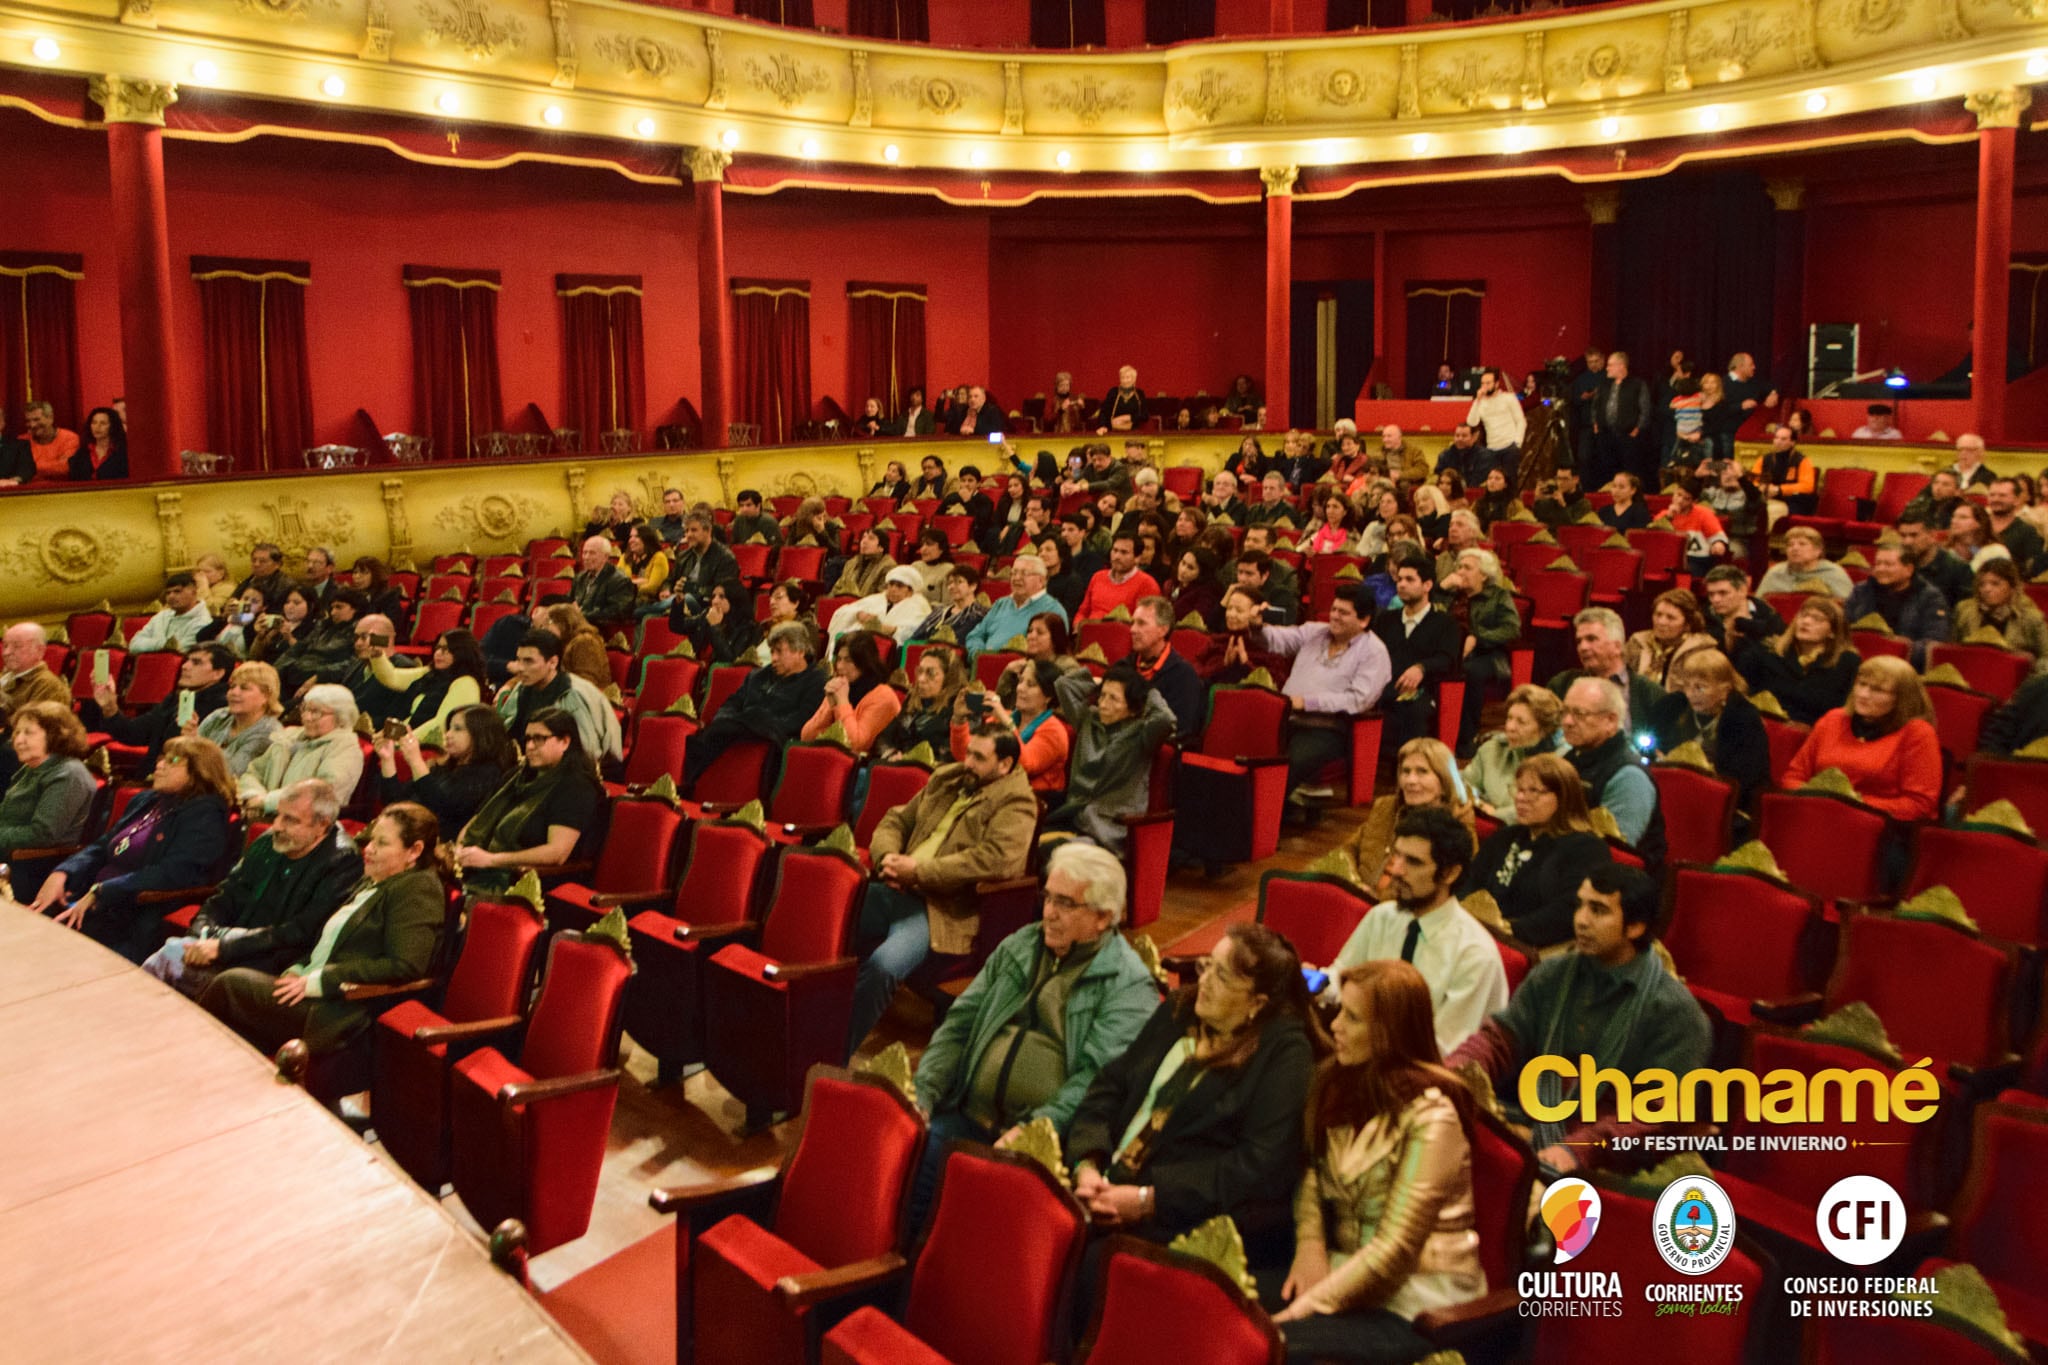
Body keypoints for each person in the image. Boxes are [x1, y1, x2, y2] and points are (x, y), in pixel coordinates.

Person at [905, 842, 1161, 1223]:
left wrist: (1033, 1129)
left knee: (954, 1219)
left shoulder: (1127, 985)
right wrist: (924, 1091)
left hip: (1042, 1143)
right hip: (966, 1113)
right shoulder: (1022, 945)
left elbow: (1093, 1080)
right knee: (899, 1168)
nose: (1049, 914)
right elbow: (960, 1022)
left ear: (1104, 918)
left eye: (1066, 904)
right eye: (1048, 898)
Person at [1066, 923, 1324, 1265]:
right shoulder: (1180, 1009)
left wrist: (1146, 1200)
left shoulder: (1284, 1054)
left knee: (1091, 1265)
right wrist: (1088, 1163)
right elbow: (1111, 1084)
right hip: (1104, 1183)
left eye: (1222, 977)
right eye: (1207, 966)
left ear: (1257, 1003)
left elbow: (1254, 1167)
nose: (1203, 981)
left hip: (1184, 1219)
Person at [1271, 960, 1488, 1358]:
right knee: (1227, 1302)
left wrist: (1309, 1305)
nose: (1334, 1026)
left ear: (1389, 1033)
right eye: (1340, 1012)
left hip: (1418, 1299)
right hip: (1345, 1270)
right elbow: (1312, 1173)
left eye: (1352, 1018)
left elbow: (1396, 1247)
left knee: (1275, 1345)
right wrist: (1310, 1246)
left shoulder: (1433, 1114)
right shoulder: (1335, 1080)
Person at [1448, 864, 1712, 1174]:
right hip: (1533, 1130)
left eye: (1598, 910)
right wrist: (1454, 1074)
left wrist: (1579, 1148)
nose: (1581, 920)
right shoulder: (1554, 974)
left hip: (1608, 1165)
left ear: (1636, 927)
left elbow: (1655, 1115)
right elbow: (1499, 1040)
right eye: (1579, 905)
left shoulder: (1676, 1014)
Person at [200, 803, 447, 1058]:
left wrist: (321, 980)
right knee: (231, 995)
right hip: (309, 986)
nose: (369, 849)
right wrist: (298, 968)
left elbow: (406, 964)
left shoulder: (417, 889)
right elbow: (329, 940)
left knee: (229, 985)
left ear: (414, 850)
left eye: (382, 844)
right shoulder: (375, 880)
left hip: (339, 1009)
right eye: (371, 840)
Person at [847, 727, 1038, 1052]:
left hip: (939, 909)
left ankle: (833, 1049)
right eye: (968, 753)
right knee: (826, 914)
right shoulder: (950, 779)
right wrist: (886, 859)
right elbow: (896, 820)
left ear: (1004, 765)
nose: (968, 762)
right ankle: (804, 1019)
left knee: (884, 965)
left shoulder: (1017, 803)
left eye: (979, 757)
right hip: (896, 886)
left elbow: (994, 861)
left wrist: (918, 872)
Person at [136, 777, 362, 997]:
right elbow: (226, 895)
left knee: (170, 956)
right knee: (176, 951)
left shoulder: (341, 861)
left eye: (290, 820)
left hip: (274, 960)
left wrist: (222, 948)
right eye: (277, 815)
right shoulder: (268, 841)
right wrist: (202, 934)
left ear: (321, 825)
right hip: (235, 945)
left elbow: (299, 932)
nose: (276, 826)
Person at [35, 735, 236, 960]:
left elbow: (175, 873)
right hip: (93, 897)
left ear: (199, 771)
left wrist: (103, 891)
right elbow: (105, 845)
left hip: (133, 912)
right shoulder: (148, 800)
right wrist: (64, 871)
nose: (159, 765)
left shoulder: (205, 816)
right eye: (162, 758)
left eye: (173, 761)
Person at [1257, 587, 1393, 801]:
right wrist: (1257, 626)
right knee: (1249, 745)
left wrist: (1308, 702)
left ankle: (1263, 821)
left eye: (1343, 613)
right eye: (1334, 609)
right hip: (1286, 717)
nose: (1334, 616)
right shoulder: (1316, 632)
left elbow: (1358, 701)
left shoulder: (1374, 652)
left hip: (1328, 728)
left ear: (1364, 620)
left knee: (1289, 762)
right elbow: (1278, 640)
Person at [454, 707, 605, 893]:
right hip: (477, 865)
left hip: (522, 881)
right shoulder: (516, 775)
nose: (530, 746)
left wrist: (492, 859)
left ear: (565, 742)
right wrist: (461, 848)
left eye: (539, 739)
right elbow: (477, 819)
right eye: (528, 739)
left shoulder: (576, 787)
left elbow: (557, 852)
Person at [1780, 655, 1942, 823]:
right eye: (1861, 684)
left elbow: (1920, 805)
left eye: (1877, 690)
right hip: (1814, 816)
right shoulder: (1833, 720)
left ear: (1902, 698)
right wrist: (1815, 800)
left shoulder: (1918, 733)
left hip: (1877, 829)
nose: (1863, 694)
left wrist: (1851, 805)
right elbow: (1793, 777)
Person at [680, 621, 827, 792]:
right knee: (733, 720)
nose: (773, 659)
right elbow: (732, 703)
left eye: (779, 652)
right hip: (737, 730)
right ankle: (693, 784)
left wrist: (764, 723)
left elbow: (802, 718)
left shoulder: (816, 681)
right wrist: (727, 719)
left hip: (775, 737)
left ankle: (690, 781)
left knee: (755, 715)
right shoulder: (757, 676)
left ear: (800, 651)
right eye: (772, 652)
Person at [1049, 661, 1177, 854]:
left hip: (1110, 829)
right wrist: (1100, 683)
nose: (1103, 704)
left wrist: (1147, 690)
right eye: (1102, 696)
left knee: (1058, 854)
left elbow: (1165, 719)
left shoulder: (1142, 734)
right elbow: (1062, 685)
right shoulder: (1088, 719)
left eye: (1113, 699)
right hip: (1074, 816)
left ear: (1133, 709)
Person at [1345, 735, 1476, 899]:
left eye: (1422, 772)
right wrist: (1353, 885)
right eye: (1406, 771)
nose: (1410, 780)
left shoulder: (1457, 826)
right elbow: (1347, 850)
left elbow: (1443, 892)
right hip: (1359, 899)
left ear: (1444, 783)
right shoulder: (1385, 807)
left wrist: (1378, 898)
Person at [1560, 676, 1665, 863]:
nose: (1567, 721)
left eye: (1579, 713)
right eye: (1565, 711)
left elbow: (1615, 853)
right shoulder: (1569, 759)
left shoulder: (1629, 776)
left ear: (1610, 720)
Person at [1648, 648, 1770, 806]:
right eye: (1687, 686)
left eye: (1700, 687)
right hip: (1666, 795)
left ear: (1724, 690)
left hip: (1721, 805)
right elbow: (1648, 750)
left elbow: (1747, 781)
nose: (1690, 694)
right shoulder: (1671, 707)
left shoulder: (1744, 719)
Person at [86, 642, 234, 772]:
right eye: (186, 661)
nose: (185, 666)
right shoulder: (174, 700)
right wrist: (109, 706)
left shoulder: (222, 707)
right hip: (156, 776)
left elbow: (205, 762)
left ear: (218, 673)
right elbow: (133, 734)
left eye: (196, 662)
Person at [372, 703, 515, 835]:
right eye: (449, 728)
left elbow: (443, 808)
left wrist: (416, 762)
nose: (448, 735)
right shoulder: (443, 766)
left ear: (480, 734)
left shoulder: (488, 774)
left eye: (457, 729)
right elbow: (395, 804)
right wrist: (387, 759)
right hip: (406, 834)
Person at [1370, 551, 1461, 753]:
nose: (1401, 584)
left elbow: (1447, 659)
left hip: (1424, 689)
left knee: (1415, 712)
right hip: (1384, 686)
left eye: (1410, 580)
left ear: (1427, 585)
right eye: (1400, 579)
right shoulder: (1386, 619)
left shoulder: (1445, 623)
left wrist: (1421, 668)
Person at [493, 630, 620, 771]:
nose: (520, 668)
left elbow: (587, 753)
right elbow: (508, 730)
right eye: (519, 660)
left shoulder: (573, 695)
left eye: (529, 661)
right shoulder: (523, 688)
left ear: (553, 662)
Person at [1732, 594, 1860, 727]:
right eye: (1803, 615)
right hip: (1761, 726)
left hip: (1813, 733)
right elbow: (1740, 689)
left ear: (1832, 632)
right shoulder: (1767, 651)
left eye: (1817, 619)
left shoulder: (1847, 662)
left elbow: (1842, 712)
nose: (1806, 622)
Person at [238, 683, 365, 815]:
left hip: (306, 823)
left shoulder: (345, 747)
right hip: (267, 813)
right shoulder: (290, 736)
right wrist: (254, 795)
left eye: (316, 712)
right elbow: (253, 772)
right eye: (305, 709)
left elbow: (324, 792)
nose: (307, 717)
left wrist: (267, 802)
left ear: (341, 717)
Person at [955, 657, 1070, 792]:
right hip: (992, 789)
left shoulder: (1054, 731)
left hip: (1031, 799)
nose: (1021, 688)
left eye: (1030, 684)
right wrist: (959, 719)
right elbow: (966, 755)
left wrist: (1006, 720)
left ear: (1048, 696)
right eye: (1021, 681)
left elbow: (1025, 765)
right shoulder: (1006, 716)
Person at [0, 702, 97, 860]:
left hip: (34, 864)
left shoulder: (68, 774)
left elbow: (42, 835)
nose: (18, 740)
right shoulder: (32, 768)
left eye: (28, 733)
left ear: (54, 735)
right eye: (17, 733)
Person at [1548, 607, 1664, 735]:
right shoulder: (1562, 684)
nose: (1583, 647)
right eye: (1579, 641)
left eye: (1591, 639)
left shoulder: (1649, 693)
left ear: (1617, 647)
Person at [365, 628, 488, 749]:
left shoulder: (466, 683)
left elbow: (441, 724)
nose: (438, 653)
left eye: (446, 649)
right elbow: (393, 677)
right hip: (407, 742)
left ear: (462, 653)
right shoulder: (430, 673)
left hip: (430, 749)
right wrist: (378, 655)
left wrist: (400, 742)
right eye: (437, 648)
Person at [1462, 684, 1566, 817]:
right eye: (1509, 718)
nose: (1510, 727)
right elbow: (1466, 785)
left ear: (1544, 730)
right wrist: (1479, 804)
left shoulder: (1559, 763)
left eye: (1521, 722)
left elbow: (1545, 809)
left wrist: (1497, 814)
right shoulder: (1491, 750)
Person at [1845, 544, 1951, 668]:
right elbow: (1844, 628)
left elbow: (1933, 642)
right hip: (1858, 660)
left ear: (1909, 569)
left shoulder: (1930, 597)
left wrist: (1889, 649)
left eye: (1888, 564)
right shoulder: (1861, 591)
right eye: (1878, 564)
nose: (1880, 569)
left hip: (1903, 667)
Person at [801, 631, 901, 753]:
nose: (840, 666)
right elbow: (806, 737)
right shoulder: (842, 687)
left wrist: (842, 702)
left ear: (864, 663)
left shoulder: (883, 696)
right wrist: (830, 706)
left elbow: (854, 745)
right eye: (839, 659)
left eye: (848, 660)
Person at [186, 660, 286, 776]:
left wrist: (194, 743)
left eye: (244, 688)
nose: (234, 692)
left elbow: (231, 774)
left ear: (266, 696)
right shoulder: (219, 716)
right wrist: (188, 741)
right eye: (232, 686)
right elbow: (180, 758)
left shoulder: (268, 732)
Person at [1126, 596, 1205, 742]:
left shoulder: (1183, 675)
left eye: (1141, 623)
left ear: (1163, 630)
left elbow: (1180, 729)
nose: (1132, 630)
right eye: (1132, 623)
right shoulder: (1125, 665)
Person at [1953, 558, 2048, 668]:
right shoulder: (1965, 612)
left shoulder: (2031, 618)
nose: (1987, 589)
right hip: (1973, 673)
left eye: (1995, 584)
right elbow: (1955, 651)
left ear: (2012, 587)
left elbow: (2046, 657)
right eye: (1982, 584)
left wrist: (2030, 665)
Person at [877, 645, 967, 759]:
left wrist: (910, 762)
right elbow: (884, 737)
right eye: (920, 671)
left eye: (930, 673)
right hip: (900, 765)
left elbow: (950, 756)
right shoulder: (913, 699)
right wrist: (891, 754)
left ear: (949, 678)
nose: (921, 679)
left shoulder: (960, 707)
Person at [967, 553, 1067, 655]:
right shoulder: (1001, 603)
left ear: (1041, 580)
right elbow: (975, 636)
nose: (1016, 578)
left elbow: (1051, 653)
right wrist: (978, 654)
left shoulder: (1052, 610)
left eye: (1024, 573)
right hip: (984, 664)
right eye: (1014, 573)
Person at [1623, 588, 1718, 691]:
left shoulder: (1701, 651)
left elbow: (1705, 691)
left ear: (1687, 624)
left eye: (1670, 618)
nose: (1661, 622)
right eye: (1658, 615)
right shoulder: (1638, 642)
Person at [825, 563, 929, 652]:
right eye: (891, 584)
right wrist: (857, 614)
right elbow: (842, 612)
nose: (893, 589)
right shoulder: (876, 599)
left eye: (899, 586)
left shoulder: (919, 606)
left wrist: (894, 630)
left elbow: (917, 632)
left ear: (910, 591)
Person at [1589, 350, 1652, 488]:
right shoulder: (1604, 384)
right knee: (1607, 469)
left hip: (1628, 435)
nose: (1607, 368)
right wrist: (1595, 424)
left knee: (1629, 472)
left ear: (1621, 366)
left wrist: (1637, 429)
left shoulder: (1637, 384)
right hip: (1606, 435)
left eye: (1611, 365)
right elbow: (1595, 406)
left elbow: (1645, 409)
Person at [1700, 563, 1787, 657]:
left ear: (1742, 591)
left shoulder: (1769, 616)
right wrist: (1727, 642)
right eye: (1711, 594)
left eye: (1723, 593)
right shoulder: (1704, 621)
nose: (1715, 600)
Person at [1895, 510, 1974, 607]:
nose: (1907, 542)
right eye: (1903, 535)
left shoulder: (1959, 571)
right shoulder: (1895, 566)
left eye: (1914, 535)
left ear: (1932, 536)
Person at [531, 603, 610, 694]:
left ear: (564, 622)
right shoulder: (561, 642)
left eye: (549, 622)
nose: (545, 628)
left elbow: (586, 681)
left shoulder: (586, 642)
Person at [128, 572, 215, 654]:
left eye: (177, 591)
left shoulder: (203, 622)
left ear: (194, 592)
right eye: (168, 593)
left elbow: (178, 651)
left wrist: (150, 644)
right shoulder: (162, 616)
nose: (171, 596)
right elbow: (134, 644)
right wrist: (163, 644)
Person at [1465, 366, 1525, 484]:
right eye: (1483, 383)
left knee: (1510, 482)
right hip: (1491, 448)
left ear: (1496, 384)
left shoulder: (1508, 398)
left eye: (1488, 383)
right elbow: (1471, 422)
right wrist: (1477, 400)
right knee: (1491, 482)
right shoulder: (1480, 402)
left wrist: (1517, 443)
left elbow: (1521, 421)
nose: (1485, 386)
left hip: (1509, 446)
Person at [1758, 526, 1853, 600]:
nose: (1795, 548)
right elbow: (1758, 606)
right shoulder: (1775, 573)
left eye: (1802, 544)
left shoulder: (1834, 574)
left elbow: (1846, 610)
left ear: (1818, 550)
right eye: (1790, 545)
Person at [0, 622, 69, 721]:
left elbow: (34, 728)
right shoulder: (5, 676)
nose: (6, 652)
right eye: (5, 646)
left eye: (17, 646)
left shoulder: (48, 686)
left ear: (39, 650)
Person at [1751, 425, 1817, 518]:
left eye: (1783, 439)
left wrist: (1779, 489)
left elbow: (1807, 486)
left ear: (1792, 442)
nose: (1778, 441)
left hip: (1793, 500)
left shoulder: (1801, 460)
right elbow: (1754, 480)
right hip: (1767, 496)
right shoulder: (1764, 459)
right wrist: (1763, 488)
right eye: (1776, 438)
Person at [911, 564, 987, 644]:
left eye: (959, 582)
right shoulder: (939, 611)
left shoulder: (980, 615)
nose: (952, 586)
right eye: (950, 583)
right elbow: (915, 637)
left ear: (973, 586)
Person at [1985, 478, 2046, 573]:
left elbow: (2033, 568)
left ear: (2016, 500)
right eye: (1992, 495)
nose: (1996, 499)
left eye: (2002, 495)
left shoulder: (2027, 532)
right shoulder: (1977, 527)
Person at [22, 399, 79, 479]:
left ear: (50, 418)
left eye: (36, 419)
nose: (32, 425)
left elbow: (65, 468)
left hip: (61, 489)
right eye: (28, 421)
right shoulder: (22, 441)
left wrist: (31, 467)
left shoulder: (69, 438)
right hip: (26, 490)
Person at [234, 542, 292, 612]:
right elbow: (233, 600)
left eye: (262, 561)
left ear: (277, 564)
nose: (256, 564)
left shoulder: (286, 586)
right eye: (254, 560)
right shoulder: (250, 580)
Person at [1095, 365, 1148, 433]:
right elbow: (1104, 412)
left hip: (1134, 432)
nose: (1125, 381)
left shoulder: (1140, 393)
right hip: (1113, 431)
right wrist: (1103, 426)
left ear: (1134, 379)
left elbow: (1145, 415)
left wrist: (1127, 418)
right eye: (1122, 378)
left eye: (1127, 377)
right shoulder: (1113, 392)